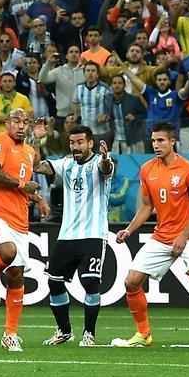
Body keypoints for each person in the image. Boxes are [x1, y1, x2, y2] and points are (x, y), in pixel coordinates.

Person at [112, 122, 189, 348]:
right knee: (131, 282)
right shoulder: (146, 170)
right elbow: (146, 206)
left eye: (161, 140)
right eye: (153, 141)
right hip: (161, 236)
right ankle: (143, 334)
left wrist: (183, 236)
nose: (156, 145)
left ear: (172, 141)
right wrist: (129, 229)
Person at [34, 125, 114, 346]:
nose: (76, 146)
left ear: (90, 143)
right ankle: (64, 330)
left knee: (90, 283)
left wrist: (106, 158)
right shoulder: (66, 163)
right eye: (72, 142)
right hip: (67, 235)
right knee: (54, 282)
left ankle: (89, 333)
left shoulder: (99, 162)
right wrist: (36, 140)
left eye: (80, 142)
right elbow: (38, 167)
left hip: (93, 235)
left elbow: (106, 168)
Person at [0, 108, 48, 352]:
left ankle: (10, 334)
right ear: (7, 123)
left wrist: (38, 198)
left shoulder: (28, 151)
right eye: (16, 121)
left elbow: (34, 173)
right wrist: (22, 184)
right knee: (6, 253)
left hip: (20, 219)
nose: (21, 125)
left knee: (17, 274)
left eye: (25, 122)